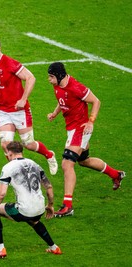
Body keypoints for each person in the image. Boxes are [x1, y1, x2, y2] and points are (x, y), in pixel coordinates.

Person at [0, 37, 58, 175]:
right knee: (5, 144)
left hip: (19, 110)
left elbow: (31, 77)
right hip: (3, 111)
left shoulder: (9, 63)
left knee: (28, 143)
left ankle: (49, 155)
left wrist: (23, 99)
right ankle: (16, 172)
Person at [47, 62, 126, 217]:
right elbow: (61, 99)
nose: (49, 80)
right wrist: (55, 113)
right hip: (71, 129)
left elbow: (96, 101)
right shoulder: (58, 85)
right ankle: (116, 174)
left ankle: (67, 206)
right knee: (84, 160)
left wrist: (91, 120)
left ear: (59, 75)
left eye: (51, 76)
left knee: (67, 164)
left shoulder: (76, 87)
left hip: (81, 128)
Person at [0, 141, 62, 259]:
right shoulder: (35, 164)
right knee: (34, 220)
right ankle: (54, 248)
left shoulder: (8, 167)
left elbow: (1, 194)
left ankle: (0, 249)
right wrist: (50, 205)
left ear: (10, 153)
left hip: (23, 211)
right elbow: (49, 187)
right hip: (40, 208)